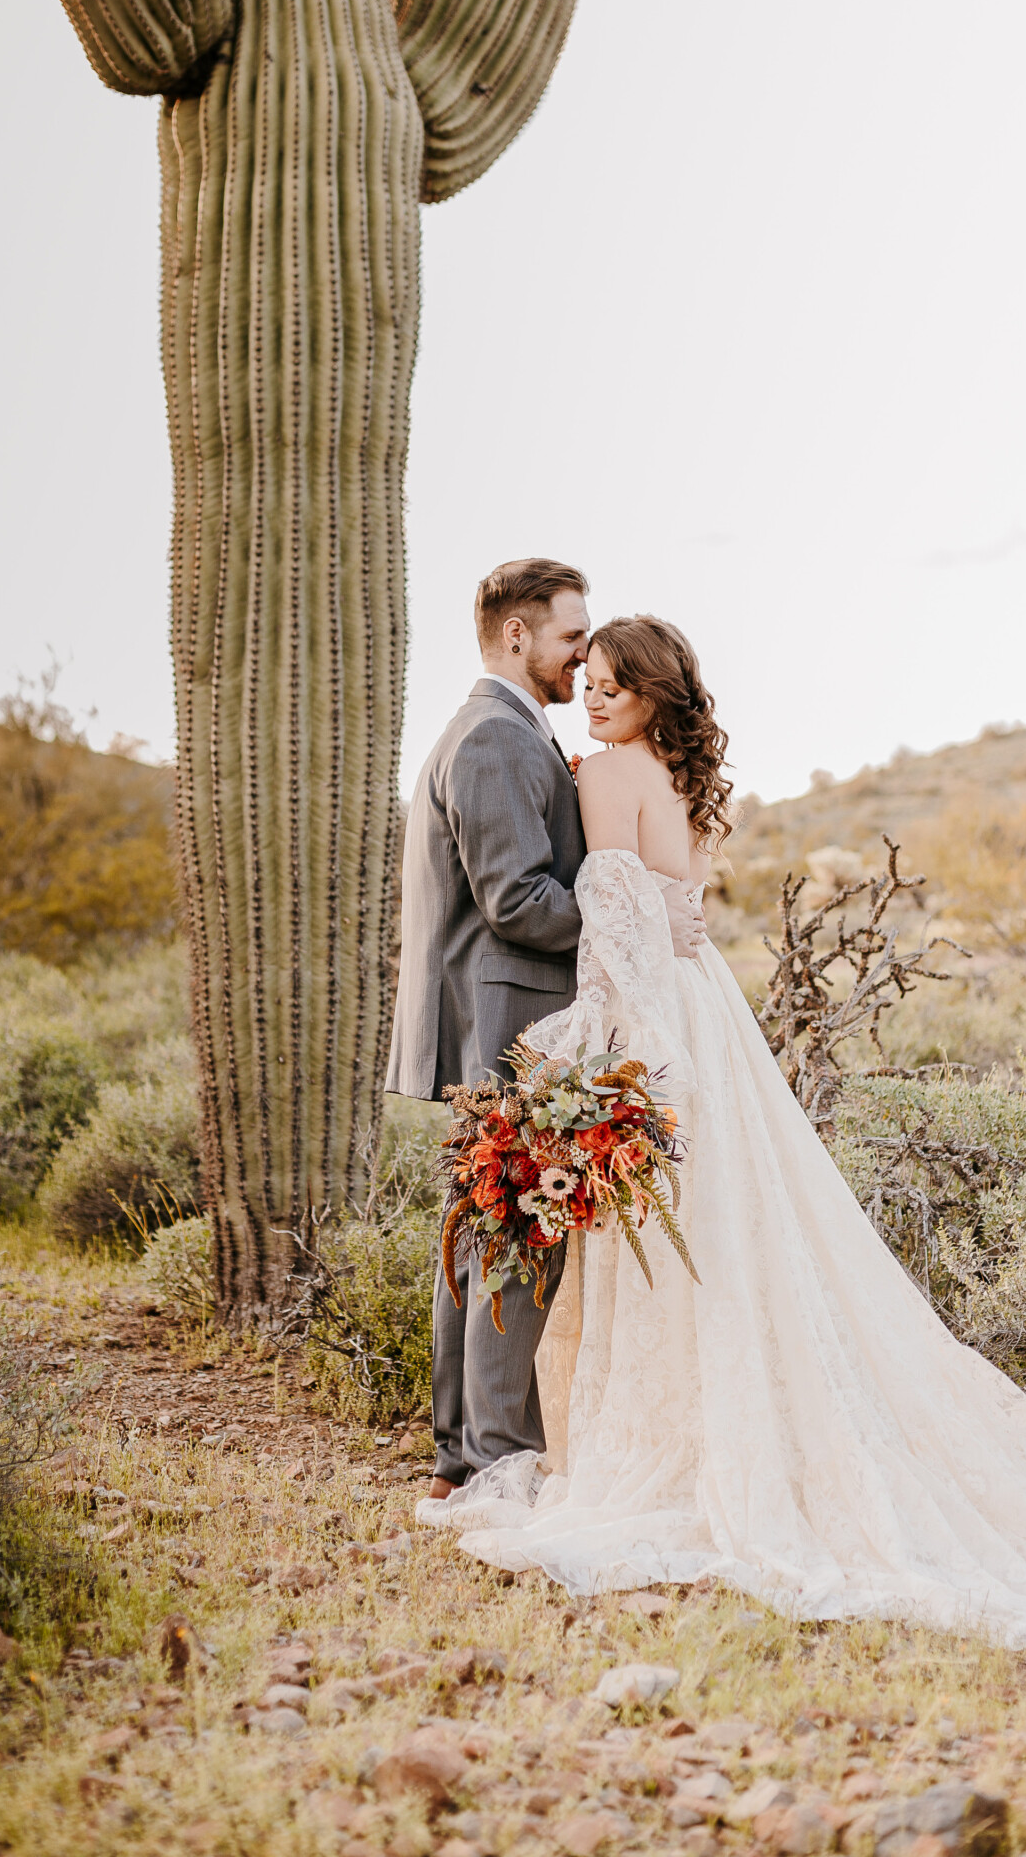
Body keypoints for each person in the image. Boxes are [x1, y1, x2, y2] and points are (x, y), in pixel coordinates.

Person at [419, 614, 1026, 1648]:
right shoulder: (674, 777)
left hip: (652, 1027)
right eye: (586, 679)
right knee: (727, 1245)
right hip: (707, 1019)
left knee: (672, 1261)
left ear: (650, 694)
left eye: (611, 683)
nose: (592, 697)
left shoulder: (603, 775)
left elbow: (613, 943)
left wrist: (579, 1051)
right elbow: (669, 915)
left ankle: (679, 1449)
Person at [387, 565, 706, 1508]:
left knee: (486, 1232)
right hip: (505, 1019)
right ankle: (492, 1458)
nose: (585, 654)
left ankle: (465, 1454)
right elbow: (517, 901)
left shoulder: (517, 732)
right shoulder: (491, 736)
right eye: (574, 638)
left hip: (504, 1016)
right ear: (519, 635)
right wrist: (644, 920)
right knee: (515, 1238)